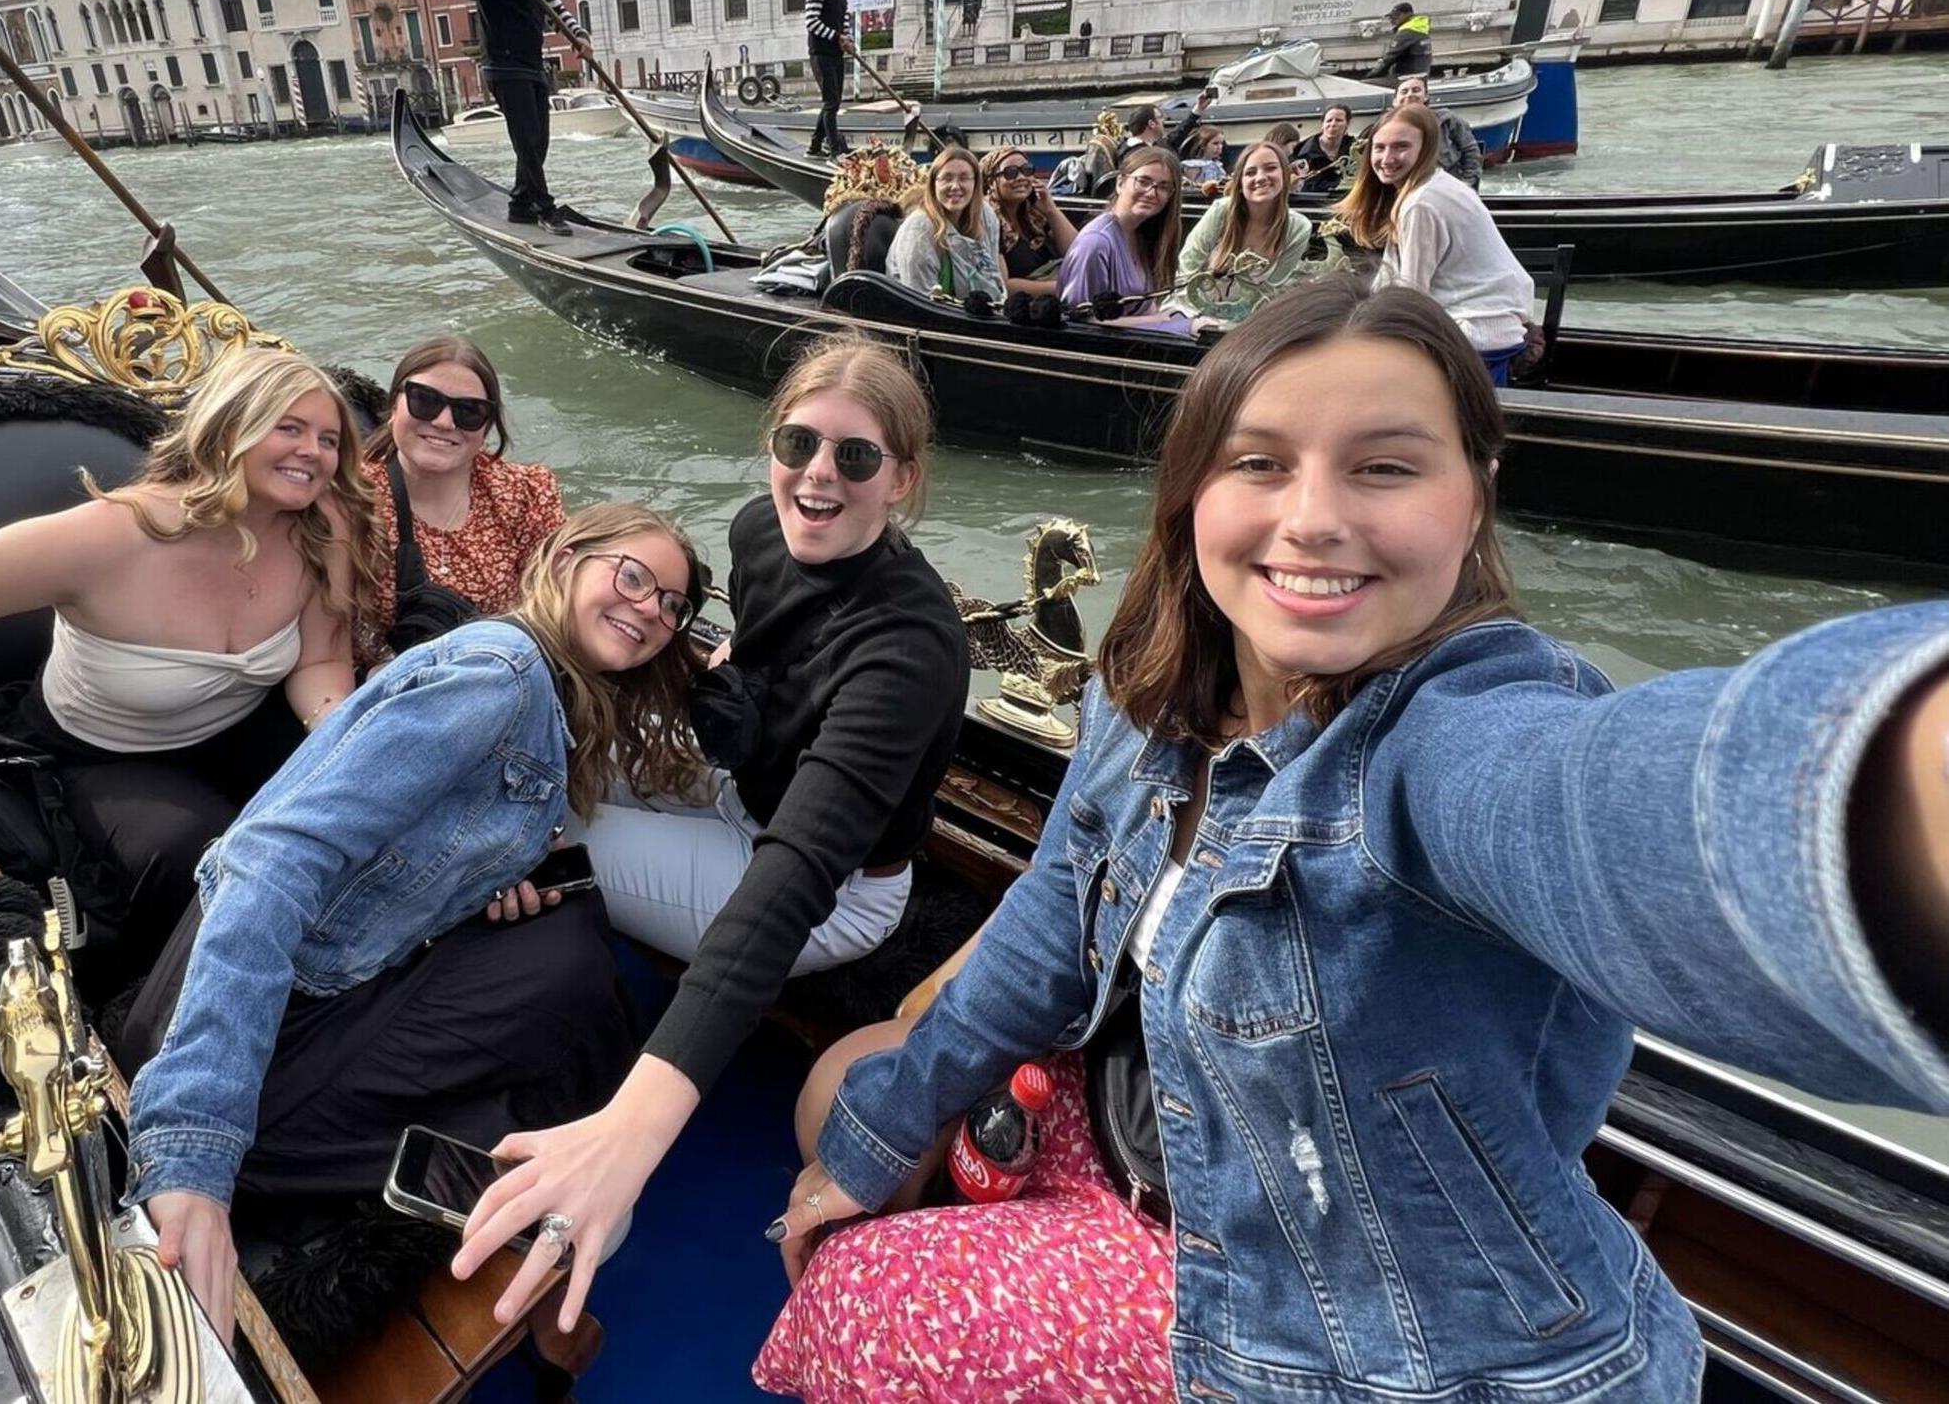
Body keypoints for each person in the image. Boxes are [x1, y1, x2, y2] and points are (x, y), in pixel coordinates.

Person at [772, 277, 1949, 1404]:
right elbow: (1049, 924)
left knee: (852, 1294)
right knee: (838, 1095)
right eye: (1260, 463)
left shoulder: (1448, 749)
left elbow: (1634, 813)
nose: (1316, 517)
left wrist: (1891, 791)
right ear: (1193, 494)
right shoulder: (1141, 701)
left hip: (1357, 1330)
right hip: (1157, 1147)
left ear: (1474, 493)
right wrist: (879, 1136)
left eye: (1384, 466)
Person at [449, 336, 973, 1341]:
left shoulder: (906, 650)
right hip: (742, 786)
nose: (817, 474)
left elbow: (794, 877)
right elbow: (753, 666)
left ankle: (583, 1079)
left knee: (551, 824)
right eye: (797, 441)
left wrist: (636, 1131)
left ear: (901, 478)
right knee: (534, 771)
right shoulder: (757, 529)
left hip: (833, 888)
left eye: (855, 458)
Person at [122, 502, 712, 1342]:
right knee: (571, 997)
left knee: (573, 955)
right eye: (632, 575)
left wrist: (480, 882)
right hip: (250, 1002)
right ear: (566, 561)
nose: (651, 608)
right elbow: (270, 860)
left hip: (328, 974)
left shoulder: (546, 695)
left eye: (672, 604)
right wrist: (194, 1144)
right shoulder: (500, 676)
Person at [0, 349, 375, 986]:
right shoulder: (109, 537)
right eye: (290, 428)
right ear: (228, 426)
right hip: (91, 755)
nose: (315, 453)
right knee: (204, 860)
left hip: (239, 731)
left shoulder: (320, 532)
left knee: (367, 819)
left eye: (329, 440)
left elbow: (322, 658)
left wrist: (340, 738)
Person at [361, 335, 566, 664]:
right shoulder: (350, 497)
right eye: (424, 400)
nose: (443, 422)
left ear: (486, 426)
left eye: (468, 411)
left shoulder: (527, 493)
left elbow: (553, 612)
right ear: (394, 405)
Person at [1338, 103, 1531, 384]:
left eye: (1400, 147)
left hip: (1477, 332)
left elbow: (1411, 296)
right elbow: (1389, 279)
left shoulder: (1421, 203)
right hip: (1495, 321)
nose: (1387, 158)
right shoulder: (1434, 186)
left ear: (1425, 149)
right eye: (1379, 148)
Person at [461, 0, 595, 235]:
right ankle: (543, 207)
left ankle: (521, 203)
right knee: (527, 139)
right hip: (504, 66)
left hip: (532, 63)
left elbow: (554, 6)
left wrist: (579, 36)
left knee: (538, 141)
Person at [1169, 139, 1321, 327]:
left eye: (1270, 168)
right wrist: (1196, 320)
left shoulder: (1299, 228)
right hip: (1191, 313)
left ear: (1285, 174)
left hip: (1252, 321)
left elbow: (1272, 289)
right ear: (1240, 182)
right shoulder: (1221, 211)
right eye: (1250, 172)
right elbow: (1186, 271)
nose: (1260, 177)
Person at [1057, 141, 1189, 328]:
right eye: (1143, 181)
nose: (1152, 193)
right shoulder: (1096, 243)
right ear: (1120, 183)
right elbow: (1081, 321)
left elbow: (1146, 308)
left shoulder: (1143, 236)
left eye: (1163, 187)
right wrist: (1160, 320)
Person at [886, 144, 1004, 305]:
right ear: (933, 184)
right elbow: (920, 301)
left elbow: (993, 280)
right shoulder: (918, 229)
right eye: (947, 178)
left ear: (976, 184)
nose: (955, 186)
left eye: (964, 178)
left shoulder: (985, 215)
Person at [981, 146, 1077, 295]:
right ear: (991, 182)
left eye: (1027, 170)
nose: (1021, 178)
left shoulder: (1034, 214)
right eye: (1010, 173)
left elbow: (1079, 253)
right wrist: (1064, 287)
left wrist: (1051, 210)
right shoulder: (987, 218)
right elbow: (1002, 285)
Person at [1395, 73, 1483, 188]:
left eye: (1416, 90)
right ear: (1395, 100)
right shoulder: (1388, 128)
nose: (1410, 94)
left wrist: (1467, 183)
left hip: (1449, 185)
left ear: (1426, 96)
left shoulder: (1447, 119)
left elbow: (1470, 150)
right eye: (1404, 92)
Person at [804, 0, 850, 158]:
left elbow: (844, 19)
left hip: (836, 53)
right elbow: (811, 21)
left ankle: (814, 147)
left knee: (833, 102)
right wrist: (837, 36)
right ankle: (834, 152)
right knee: (831, 103)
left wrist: (847, 38)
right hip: (821, 53)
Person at [1291, 102, 1355, 195]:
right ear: (1322, 125)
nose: (1333, 124)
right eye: (1329, 120)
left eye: (1338, 120)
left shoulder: (1356, 149)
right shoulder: (1301, 152)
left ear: (1347, 124)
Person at [1374, 0, 1433, 80]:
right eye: (1391, 17)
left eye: (1396, 15)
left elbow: (1389, 60)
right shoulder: (1420, 29)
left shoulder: (1406, 33)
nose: (1392, 19)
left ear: (1408, 14)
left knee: (1370, 83)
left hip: (1405, 78)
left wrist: (1370, 76)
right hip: (1422, 76)